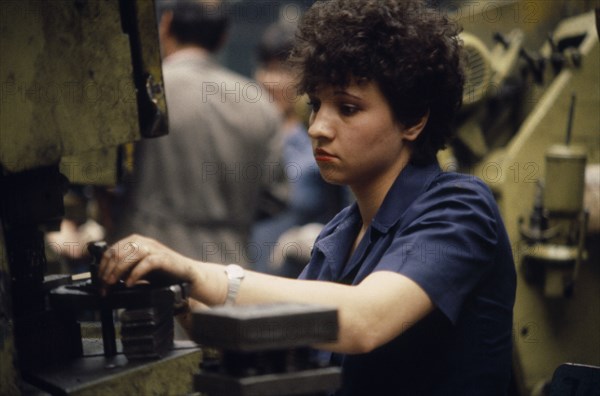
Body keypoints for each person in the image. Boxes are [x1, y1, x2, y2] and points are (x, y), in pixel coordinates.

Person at [100, 1, 517, 394]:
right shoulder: (342, 233)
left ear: (413, 119)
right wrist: (178, 298)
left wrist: (202, 274)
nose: (317, 126)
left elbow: (363, 320)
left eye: (348, 108)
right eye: (317, 105)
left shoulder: (460, 209)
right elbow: (288, 346)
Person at [111, 0, 287, 263]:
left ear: (166, 24)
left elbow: (108, 181)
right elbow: (274, 197)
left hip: (145, 266)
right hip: (230, 276)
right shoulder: (259, 103)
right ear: (223, 38)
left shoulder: (140, 94)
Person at [250, 21, 349, 275]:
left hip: (299, 288)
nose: (271, 80)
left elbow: (352, 219)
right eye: (266, 68)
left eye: (282, 70)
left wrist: (309, 238)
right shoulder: (245, 136)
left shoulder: (322, 141)